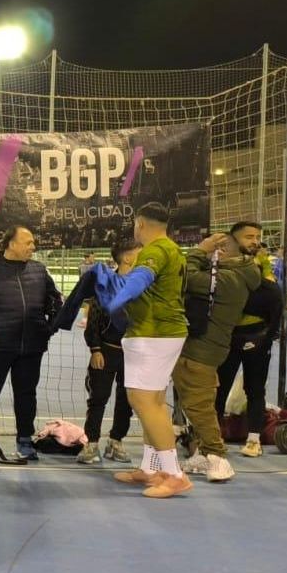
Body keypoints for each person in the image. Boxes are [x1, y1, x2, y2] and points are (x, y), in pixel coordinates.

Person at [95, 202, 190, 498]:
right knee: (155, 402)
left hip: (153, 334)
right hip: (163, 333)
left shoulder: (154, 250)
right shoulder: (173, 249)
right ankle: (150, 468)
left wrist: (118, 297)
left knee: (143, 400)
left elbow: (140, 279)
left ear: (140, 224)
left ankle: (174, 475)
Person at [0, 225, 62, 460]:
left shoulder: (39, 270)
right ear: (11, 244)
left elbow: (56, 300)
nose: (33, 247)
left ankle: (25, 440)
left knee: (26, 394)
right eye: (28, 242)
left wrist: (48, 327)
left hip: (31, 347)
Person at [173, 233, 261, 484]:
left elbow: (186, 276)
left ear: (222, 250)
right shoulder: (239, 274)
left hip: (202, 350)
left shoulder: (228, 278)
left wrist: (199, 250)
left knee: (198, 406)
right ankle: (204, 452)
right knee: (197, 403)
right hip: (205, 347)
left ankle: (218, 456)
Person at [214, 220, 280, 458]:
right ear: (233, 240)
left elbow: (275, 303)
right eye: (248, 236)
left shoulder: (265, 267)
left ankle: (254, 439)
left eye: (257, 236)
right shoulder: (220, 264)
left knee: (255, 389)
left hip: (256, 338)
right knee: (218, 389)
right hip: (227, 337)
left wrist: (266, 338)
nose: (255, 241)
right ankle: (214, 437)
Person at [78, 240, 138, 465]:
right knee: (98, 398)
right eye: (139, 254)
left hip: (133, 353)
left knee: (127, 399)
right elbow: (93, 320)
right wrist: (95, 349)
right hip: (106, 350)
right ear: (127, 258)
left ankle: (116, 441)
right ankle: (91, 443)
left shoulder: (142, 286)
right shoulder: (105, 283)